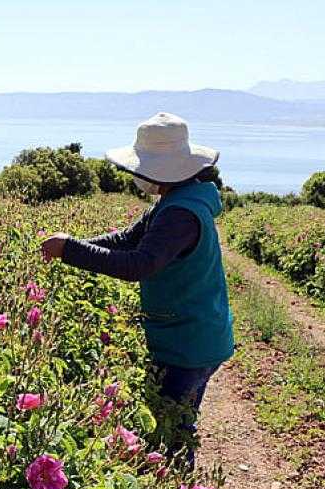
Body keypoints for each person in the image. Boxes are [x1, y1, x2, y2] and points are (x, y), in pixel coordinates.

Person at [40, 113, 234, 465]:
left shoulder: (180, 214)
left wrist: (69, 249)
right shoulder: (178, 199)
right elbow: (127, 240)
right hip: (194, 333)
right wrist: (74, 245)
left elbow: (138, 263)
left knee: (170, 435)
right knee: (173, 425)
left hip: (188, 344)